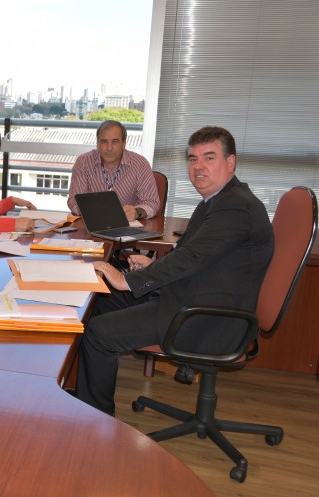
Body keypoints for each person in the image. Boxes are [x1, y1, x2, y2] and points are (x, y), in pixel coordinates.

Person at [75, 126, 273, 416]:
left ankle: (93, 418)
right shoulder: (218, 200)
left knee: (98, 333)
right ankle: (84, 396)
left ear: (230, 163)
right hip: (188, 295)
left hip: (206, 315)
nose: (198, 167)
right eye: (193, 159)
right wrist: (153, 266)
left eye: (209, 158)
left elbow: (192, 257)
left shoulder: (236, 207)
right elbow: (199, 254)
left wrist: (128, 281)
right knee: (99, 302)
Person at [67, 120, 160, 221]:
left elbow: (152, 203)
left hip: (129, 225)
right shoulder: (83, 162)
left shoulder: (140, 164)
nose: (109, 148)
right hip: (93, 223)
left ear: (124, 143)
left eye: (115, 142)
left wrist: (137, 212)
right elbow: (74, 201)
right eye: (104, 142)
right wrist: (91, 211)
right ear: (97, 143)